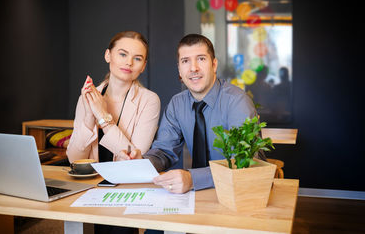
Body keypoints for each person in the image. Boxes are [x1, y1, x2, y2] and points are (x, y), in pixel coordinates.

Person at [118, 33, 258, 194]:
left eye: (201, 59)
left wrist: (193, 179)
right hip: (197, 198)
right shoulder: (177, 104)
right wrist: (140, 162)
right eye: (185, 61)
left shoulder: (237, 102)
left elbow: (246, 163)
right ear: (179, 69)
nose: (193, 68)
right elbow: (164, 151)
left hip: (238, 194)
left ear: (214, 65)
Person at [66, 31, 161, 165]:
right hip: (91, 183)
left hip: (127, 183)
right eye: (123, 54)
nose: (129, 62)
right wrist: (89, 117)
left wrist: (103, 117)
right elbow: (74, 160)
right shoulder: (88, 97)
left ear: (143, 66)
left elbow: (133, 159)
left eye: (137, 58)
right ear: (108, 55)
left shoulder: (149, 100)